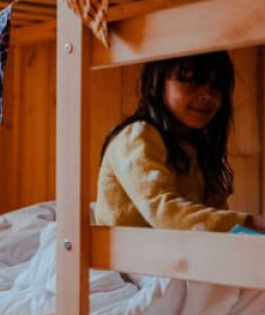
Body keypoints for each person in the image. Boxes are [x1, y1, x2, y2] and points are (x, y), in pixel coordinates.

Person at [95, 50, 265, 233]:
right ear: (156, 83)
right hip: (125, 259)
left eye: (216, 86)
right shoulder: (137, 136)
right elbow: (164, 212)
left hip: (177, 258)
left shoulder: (199, 148)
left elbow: (217, 218)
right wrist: (250, 222)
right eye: (192, 80)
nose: (206, 95)